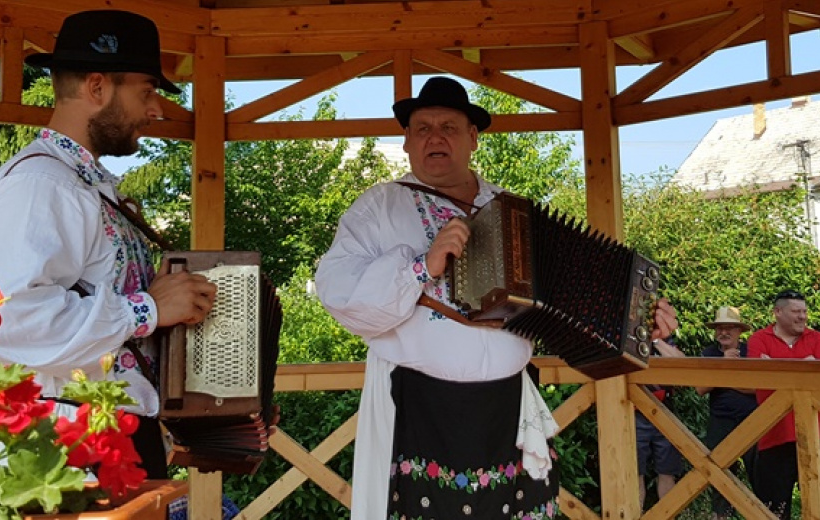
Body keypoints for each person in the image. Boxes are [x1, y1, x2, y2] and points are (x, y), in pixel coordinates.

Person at [315, 76, 678, 520]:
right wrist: (420, 266)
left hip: (509, 408)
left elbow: (567, 302)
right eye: (423, 128)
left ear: (472, 138)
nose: (435, 137)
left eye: (449, 126)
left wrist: (635, 321)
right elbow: (338, 294)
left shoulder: (513, 214)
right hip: (419, 410)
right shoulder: (378, 208)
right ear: (407, 142)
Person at [0, 9, 217, 478]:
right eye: (146, 91)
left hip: (106, 429)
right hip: (63, 443)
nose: (156, 110)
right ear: (98, 87)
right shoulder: (43, 184)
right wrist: (143, 309)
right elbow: (5, 319)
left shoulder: (86, 185)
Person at [747, 290, 820, 519]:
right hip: (775, 434)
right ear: (778, 312)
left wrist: (776, 366)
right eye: (796, 311)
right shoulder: (759, 339)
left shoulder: (818, 339)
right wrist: (804, 365)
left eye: (805, 311)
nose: (802, 317)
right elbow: (758, 379)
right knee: (774, 509)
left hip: (819, 434)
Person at [694, 306, 758, 520]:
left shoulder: (752, 352)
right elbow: (700, 389)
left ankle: (763, 514)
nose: (724, 332)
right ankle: (721, 515)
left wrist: (725, 380)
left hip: (753, 419)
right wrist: (725, 364)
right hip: (720, 419)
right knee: (719, 469)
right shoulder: (709, 354)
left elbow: (759, 388)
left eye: (730, 328)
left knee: (757, 470)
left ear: (740, 331)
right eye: (720, 328)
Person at [636, 337, 685, 505]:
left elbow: (682, 364)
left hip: (665, 411)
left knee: (667, 472)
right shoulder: (627, 337)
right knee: (634, 473)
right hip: (634, 410)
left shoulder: (665, 341)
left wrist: (655, 340)